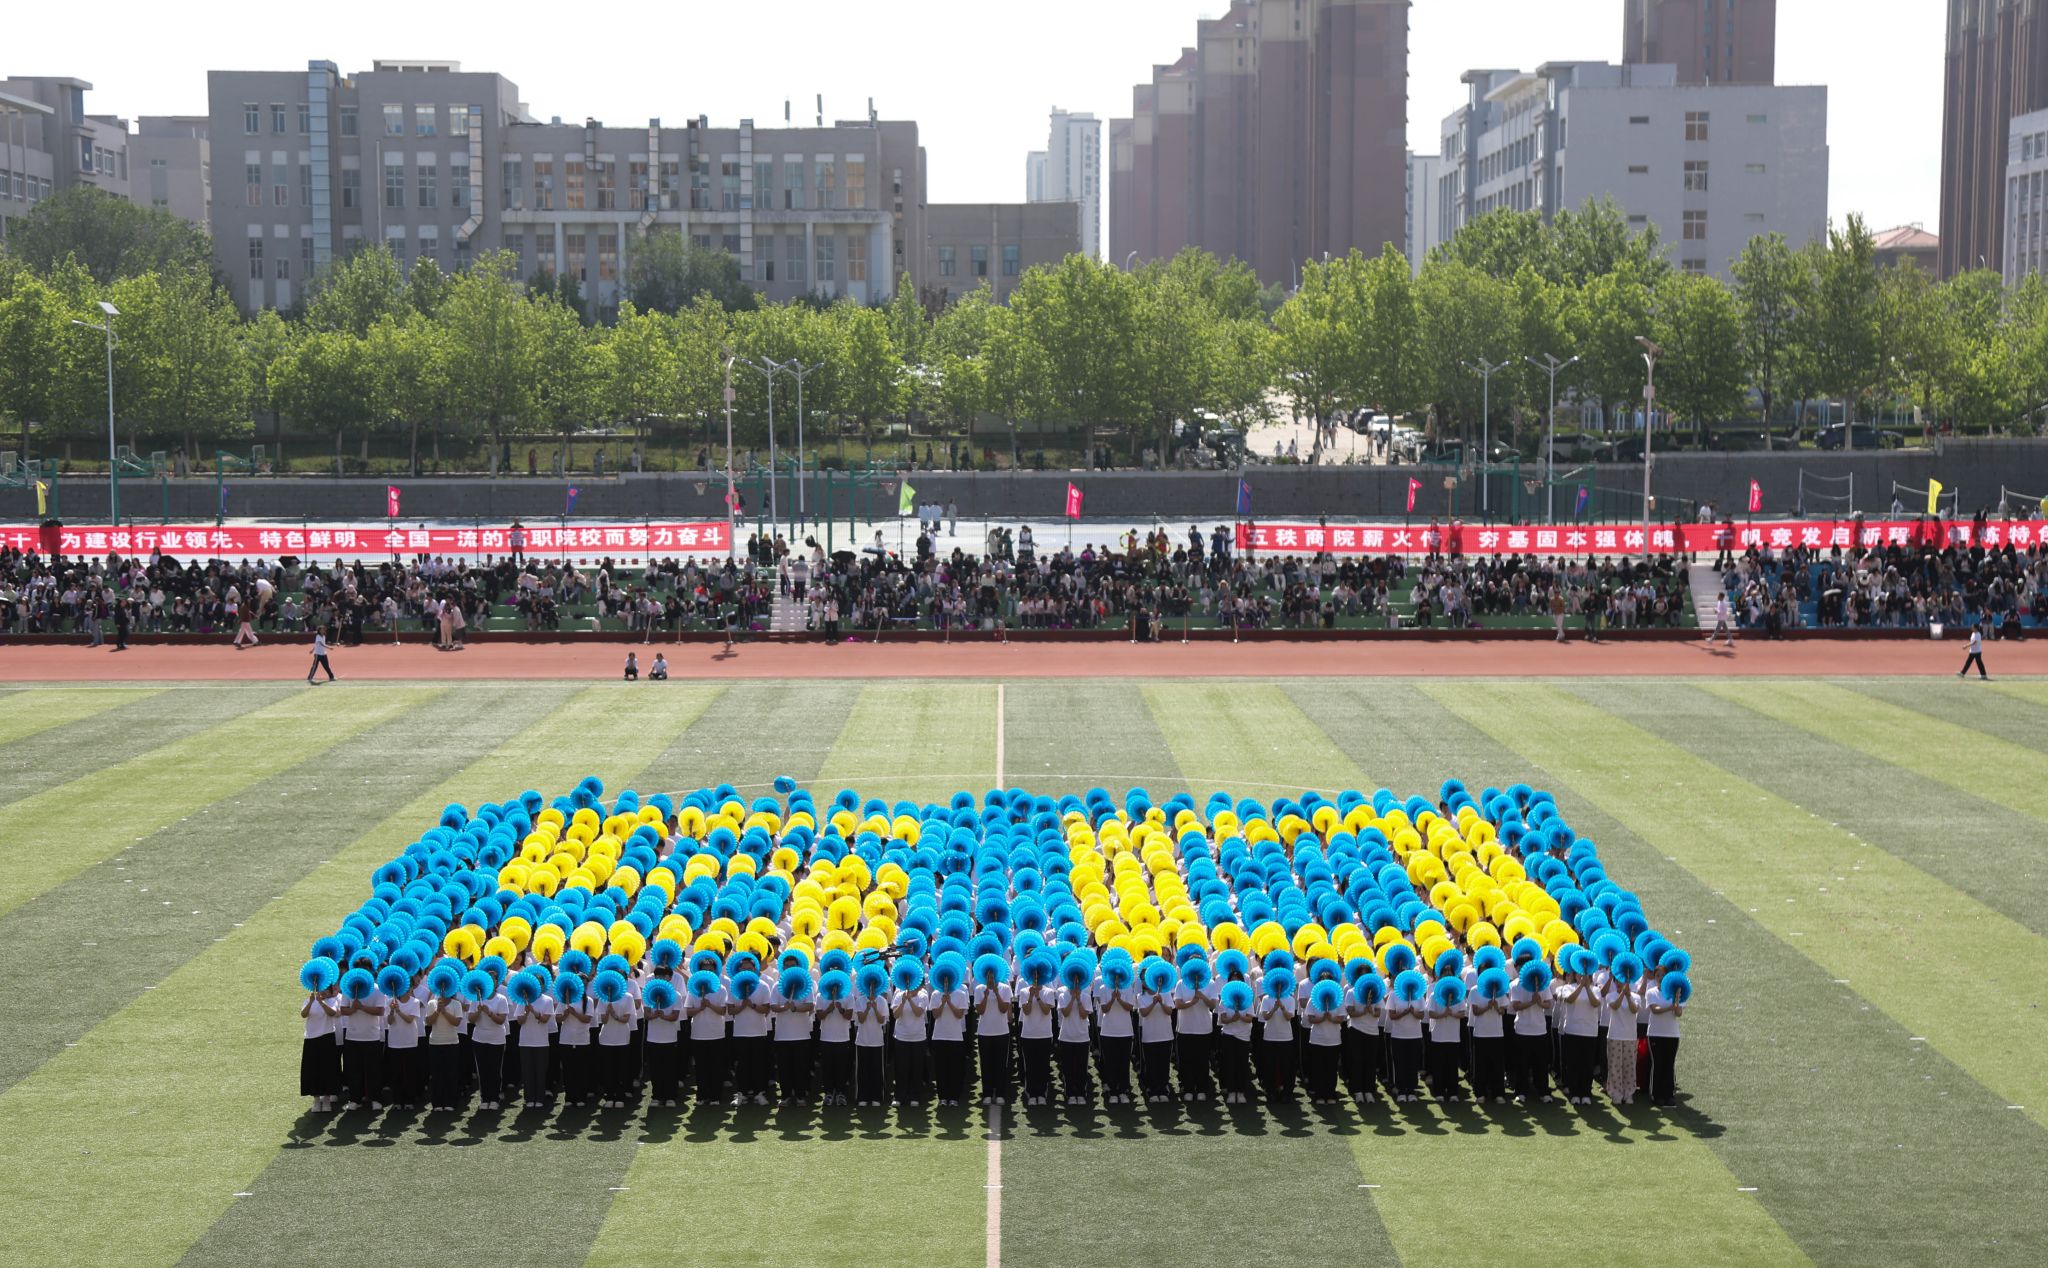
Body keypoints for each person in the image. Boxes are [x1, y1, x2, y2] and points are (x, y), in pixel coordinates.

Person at [1172, 970, 1218, 1102]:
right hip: (1185, 1029)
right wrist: (1192, 1002)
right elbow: (1177, 1004)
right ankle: (1188, 1088)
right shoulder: (1181, 983)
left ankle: (1202, 1088)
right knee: (1186, 1061)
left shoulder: (1210, 983)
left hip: (1203, 1029)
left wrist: (1202, 996)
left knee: (1202, 1061)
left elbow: (1213, 1005)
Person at [686, 973, 730, 1105]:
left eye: (710, 970)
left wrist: (710, 1005)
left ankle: (715, 1096)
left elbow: (723, 1011)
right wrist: (700, 1008)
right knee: (701, 1067)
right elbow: (688, 1012)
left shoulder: (721, 989)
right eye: (704, 969)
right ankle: (701, 1096)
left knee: (716, 1067)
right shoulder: (693, 990)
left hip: (716, 1034)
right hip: (698, 1034)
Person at [771, 982, 817, 1106]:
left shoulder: (806, 985)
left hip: (802, 1035)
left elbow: (810, 1005)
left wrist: (795, 1008)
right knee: (783, 1068)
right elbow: (773, 1006)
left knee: (801, 1068)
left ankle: (800, 1096)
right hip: (782, 1036)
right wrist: (784, 1007)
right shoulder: (777, 986)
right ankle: (785, 1096)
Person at [973, 966, 1014, 1106]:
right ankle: (987, 1093)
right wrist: (985, 995)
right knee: (986, 1064)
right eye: (988, 976)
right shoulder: (979, 989)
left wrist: (996, 993)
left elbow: (1003, 1009)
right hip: (984, 1032)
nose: (990, 978)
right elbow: (980, 1011)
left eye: (992, 975)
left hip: (1001, 1032)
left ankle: (1000, 1093)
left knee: (1001, 1064)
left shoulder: (1005, 988)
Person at [300, 983, 344, 1113]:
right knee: (312, 1070)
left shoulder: (332, 1001)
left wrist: (321, 1002)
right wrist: (311, 1002)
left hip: (327, 1038)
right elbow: (303, 1014)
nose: (323, 991)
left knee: (327, 1069)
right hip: (311, 1039)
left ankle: (326, 1099)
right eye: (321, 989)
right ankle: (316, 1099)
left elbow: (332, 1013)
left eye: (326, 989)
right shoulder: (308, 1001)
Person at [1643, 971, 1685, 1108]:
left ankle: (1669, 1095)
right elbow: (1655, 1010)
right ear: (1655, 978)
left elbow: (1678, 1013)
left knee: (1669, 1064)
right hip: (1655, 1033)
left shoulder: (1675, 993)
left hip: (1672, 1034)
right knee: (1658, 1064)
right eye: (1658, 976)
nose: (1660, 978)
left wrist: (1677, 1000)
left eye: (1663, 975)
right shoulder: (1651, 992)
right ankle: (1656, 1095)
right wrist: (1670, 1007)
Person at [596, 982, 641, 1108]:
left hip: (622, 1038)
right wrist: (607, 1012)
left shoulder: (628, 997)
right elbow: (603, 1021)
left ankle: (620, 1096)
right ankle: (609, 1096)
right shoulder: (603, 997)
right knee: (608, 1068)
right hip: (606, 1039)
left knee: (622, 1068)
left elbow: (626, 1019)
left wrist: (615, 1015)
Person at [929, 975, 970, 1107]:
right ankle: (942, 1097)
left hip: (955, 1037)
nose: (946, 983)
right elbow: (935, 1015)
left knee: (954, 1068)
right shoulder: (935, 994)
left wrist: (950, 1002)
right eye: (944, 980)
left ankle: (954, 1097)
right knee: (940, 1068)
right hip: (939, 1036)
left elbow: (959, 1015)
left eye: (948, 980)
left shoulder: (961, 994)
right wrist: (942, 1003)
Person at [468, 981, 511, 1110]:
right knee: (482, 1070)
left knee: (495, 1070)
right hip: (479, 1039)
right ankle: (484, 1098)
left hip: (496, 1040)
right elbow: (471, 1019)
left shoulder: (501, 999)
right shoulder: (476, 999)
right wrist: (478, 1011)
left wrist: (489, 1012)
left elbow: (501, 1020)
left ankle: (494, 1098)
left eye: (493, 981)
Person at [1094, 975, 1136, 1104]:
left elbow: (1130, 1008)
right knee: (1110, 1062)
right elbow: (1104, 1009)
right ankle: (1113, 1091)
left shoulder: (1128, 988)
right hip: (1108, 1031)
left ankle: (1123, 1091)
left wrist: (1120, 999)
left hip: (1125, 1032)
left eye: (1119, 976)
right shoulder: (1103, 988)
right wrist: (1112, 999)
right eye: (1114, 976)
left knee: (1124, 1062)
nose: (1116, 979)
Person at [383, 980, 425, 1110]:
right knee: (396, 1073)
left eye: (408, 988)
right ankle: (397, 1100)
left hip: (410, 1041)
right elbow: (389, 1022)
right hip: (395, 1042)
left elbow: (409, 1020)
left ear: (411, 988)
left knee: (410, 1072)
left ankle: (409, 1100)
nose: (406, 990)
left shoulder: (415, 1002)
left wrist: (399, 1010)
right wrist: (392, 1011)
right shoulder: (391, 1002)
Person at [890, 980, 933, 1106]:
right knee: (901, 1068)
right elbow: (895, 1015)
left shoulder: (923, 995)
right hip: (901, 1036)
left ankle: (915, 1096)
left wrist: (910, 1000)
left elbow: (919, 1013)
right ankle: (899, 1096)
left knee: (917, 1068)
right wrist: (903, 1001)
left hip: (918, 1037)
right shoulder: (899, 995)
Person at [1016, 975, 1057, 1107]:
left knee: (1043, 1065)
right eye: (1033, 977)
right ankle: (1032, 1093)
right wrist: (1030, 996)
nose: (1036, 979)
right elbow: (1026, 1011)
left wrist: (1038, 997)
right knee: (1030, 1066)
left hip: (1044, 1034)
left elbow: (1046, 1011)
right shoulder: (1024, 991)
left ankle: (1041, 1093)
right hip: (1028, 1035)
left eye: (1038, 976)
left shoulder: (1049, 992)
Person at [425, 991, 469, 1111]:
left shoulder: (456, 1004)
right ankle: (437, 1102)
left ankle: (451, 1102)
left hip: (451, 1042)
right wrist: (437, 1011)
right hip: (435, 1042)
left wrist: (444, 1012)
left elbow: (456, 1022)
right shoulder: (431, 1003)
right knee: (437, 1074)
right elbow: (428, 1022)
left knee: (451, 1073)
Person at [1054, 974, 1095, 1105]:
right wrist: (1072, 999)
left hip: (1082, 1037)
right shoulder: (1062, 995)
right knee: (1068, 1068)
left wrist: (1079, 1000)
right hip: (1066, 1037)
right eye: (1073, 980)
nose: (1075, 983)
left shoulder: (1086, 997)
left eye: (1078, 980)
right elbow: (1065, 1014)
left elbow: (1083, 1015)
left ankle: (1081, 1093)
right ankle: (1070, 1093)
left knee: (1081, 1068)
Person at [1602, 975, 1640, 1106]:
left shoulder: (1636, 997)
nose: (1619, 983)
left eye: (1622, 981)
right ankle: (1616, 1094)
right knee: (1615, 1066)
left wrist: (1628, 996)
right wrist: (1623, 993)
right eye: (1617, 980)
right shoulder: (1611, 996)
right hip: (1614, 1035)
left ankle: (1628, 1093)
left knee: (1629, 1066)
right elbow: (1615, 1006)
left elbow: (1634, 1010)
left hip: (1630, 1036)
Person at [1136, 980, 1176, 1102]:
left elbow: (1169, 1012)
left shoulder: (1166, 994)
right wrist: (1153, 1003)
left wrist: (1161, 1002)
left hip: (1165, 1035)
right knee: (1151, 1065)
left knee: (1163, 1064)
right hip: (1149, 1036)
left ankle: (1163, 1089)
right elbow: (1144, 1013)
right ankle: (1152, 1090)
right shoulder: (1141, 996)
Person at [1383, 987, 1425, 1103]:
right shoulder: (1393, 995)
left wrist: (1413, 1012)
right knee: (1399, 1064)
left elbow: (1421, 1015)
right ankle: (1401, 1091)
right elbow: (1392, 1015)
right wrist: (1403, 1013)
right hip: (1398, 1035)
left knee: (1413, 1064)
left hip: (1415, 1035)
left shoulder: (1419, 995)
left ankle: (1411, 1091)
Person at [516, 988, 556, 1110]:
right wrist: (526, 1012)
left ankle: (539, 1098)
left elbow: (545, 1020)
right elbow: (519, 1021)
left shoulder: (547, 1000)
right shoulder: (522, 1000)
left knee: (540, 1071)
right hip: (525, 1042)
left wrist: (533, 1011)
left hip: (541, 1042)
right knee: (527, 1071)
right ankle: (529, 1098)